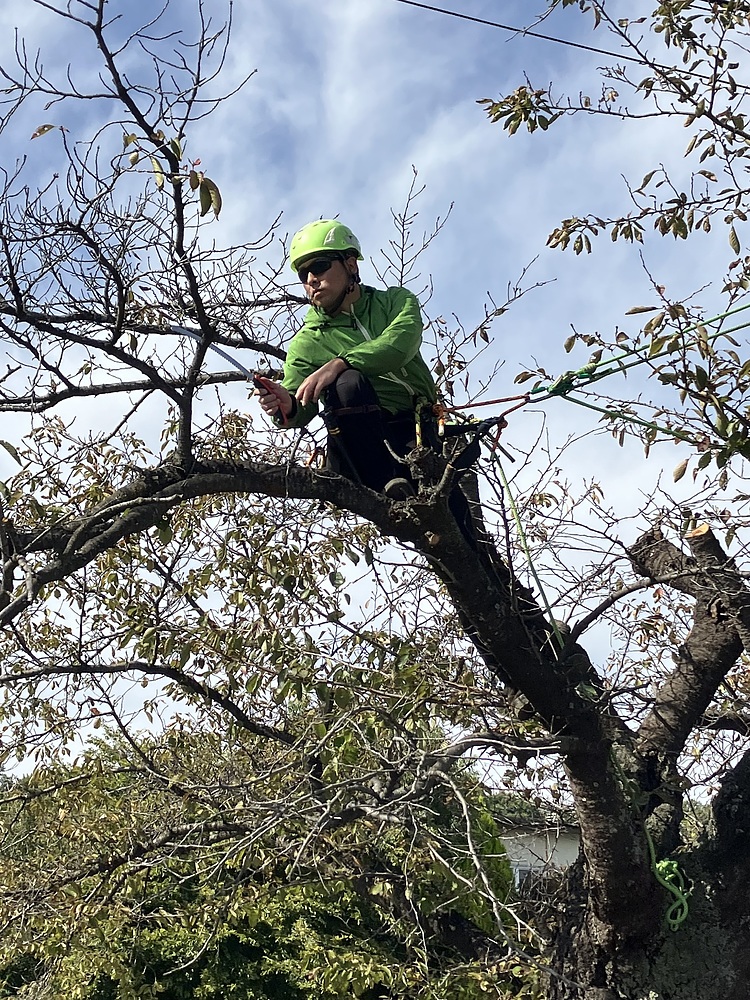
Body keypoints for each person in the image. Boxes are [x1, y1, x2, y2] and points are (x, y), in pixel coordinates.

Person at [256, 219, 438, 495]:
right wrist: (288, 405)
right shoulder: (307, 343)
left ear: (351, 265)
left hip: (418, 433)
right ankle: (383, 481)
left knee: (459, 528)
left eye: (319, 266)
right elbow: (298, 404)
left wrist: (339, 362)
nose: (310, 280)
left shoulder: (395, 301)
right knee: (347, 382)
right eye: (303, 274)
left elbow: (400, 344)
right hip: (364, 446)